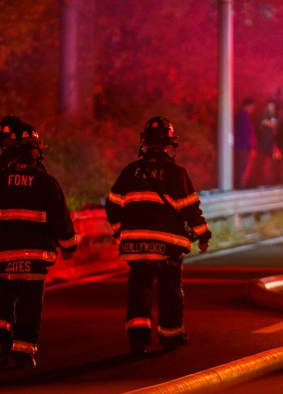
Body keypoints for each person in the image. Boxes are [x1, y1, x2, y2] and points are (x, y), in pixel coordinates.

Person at [0, 122, 76, 368]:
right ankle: (24, 352)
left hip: (1, 256)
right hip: (35, 257)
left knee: (1, 298)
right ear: (35, 151)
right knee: (30, 303)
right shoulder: (47, 183)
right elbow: (61, 220)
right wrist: (68, 246)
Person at [105, 116, 211, 356]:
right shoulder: (177, 173)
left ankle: (138, 339)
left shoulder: (130, 171)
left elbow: (112, 206)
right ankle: (171, 336)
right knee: (169, 289)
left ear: (145, 142)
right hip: (167, 246)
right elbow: (190, 209)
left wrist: (122, 233)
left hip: (136, 246)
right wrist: (203, 235)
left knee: (138, 291)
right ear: (169, 144)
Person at [234, 97, 256, 189]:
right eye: (252, 107)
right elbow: (246, 133)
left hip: (241, 146)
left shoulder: (240, 115)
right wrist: (251, 146)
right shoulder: (243, 117)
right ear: (247, 106)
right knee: (243, 167)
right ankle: (241, 187)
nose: (253, 109)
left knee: (241, 167)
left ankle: (240, 185)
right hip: (244, 147)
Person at [255, 100, 278, 186]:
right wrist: (265, 123)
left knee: (270, 165)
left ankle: (269, 182)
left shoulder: (274, 117)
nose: (271, 109)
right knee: (263, 164)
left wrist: (268, 124)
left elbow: (275, 125)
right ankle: (262, 182)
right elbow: (260, 126)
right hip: (263, 144)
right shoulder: (263, 116)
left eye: (273, 107)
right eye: (269, 106)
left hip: (271, 145)